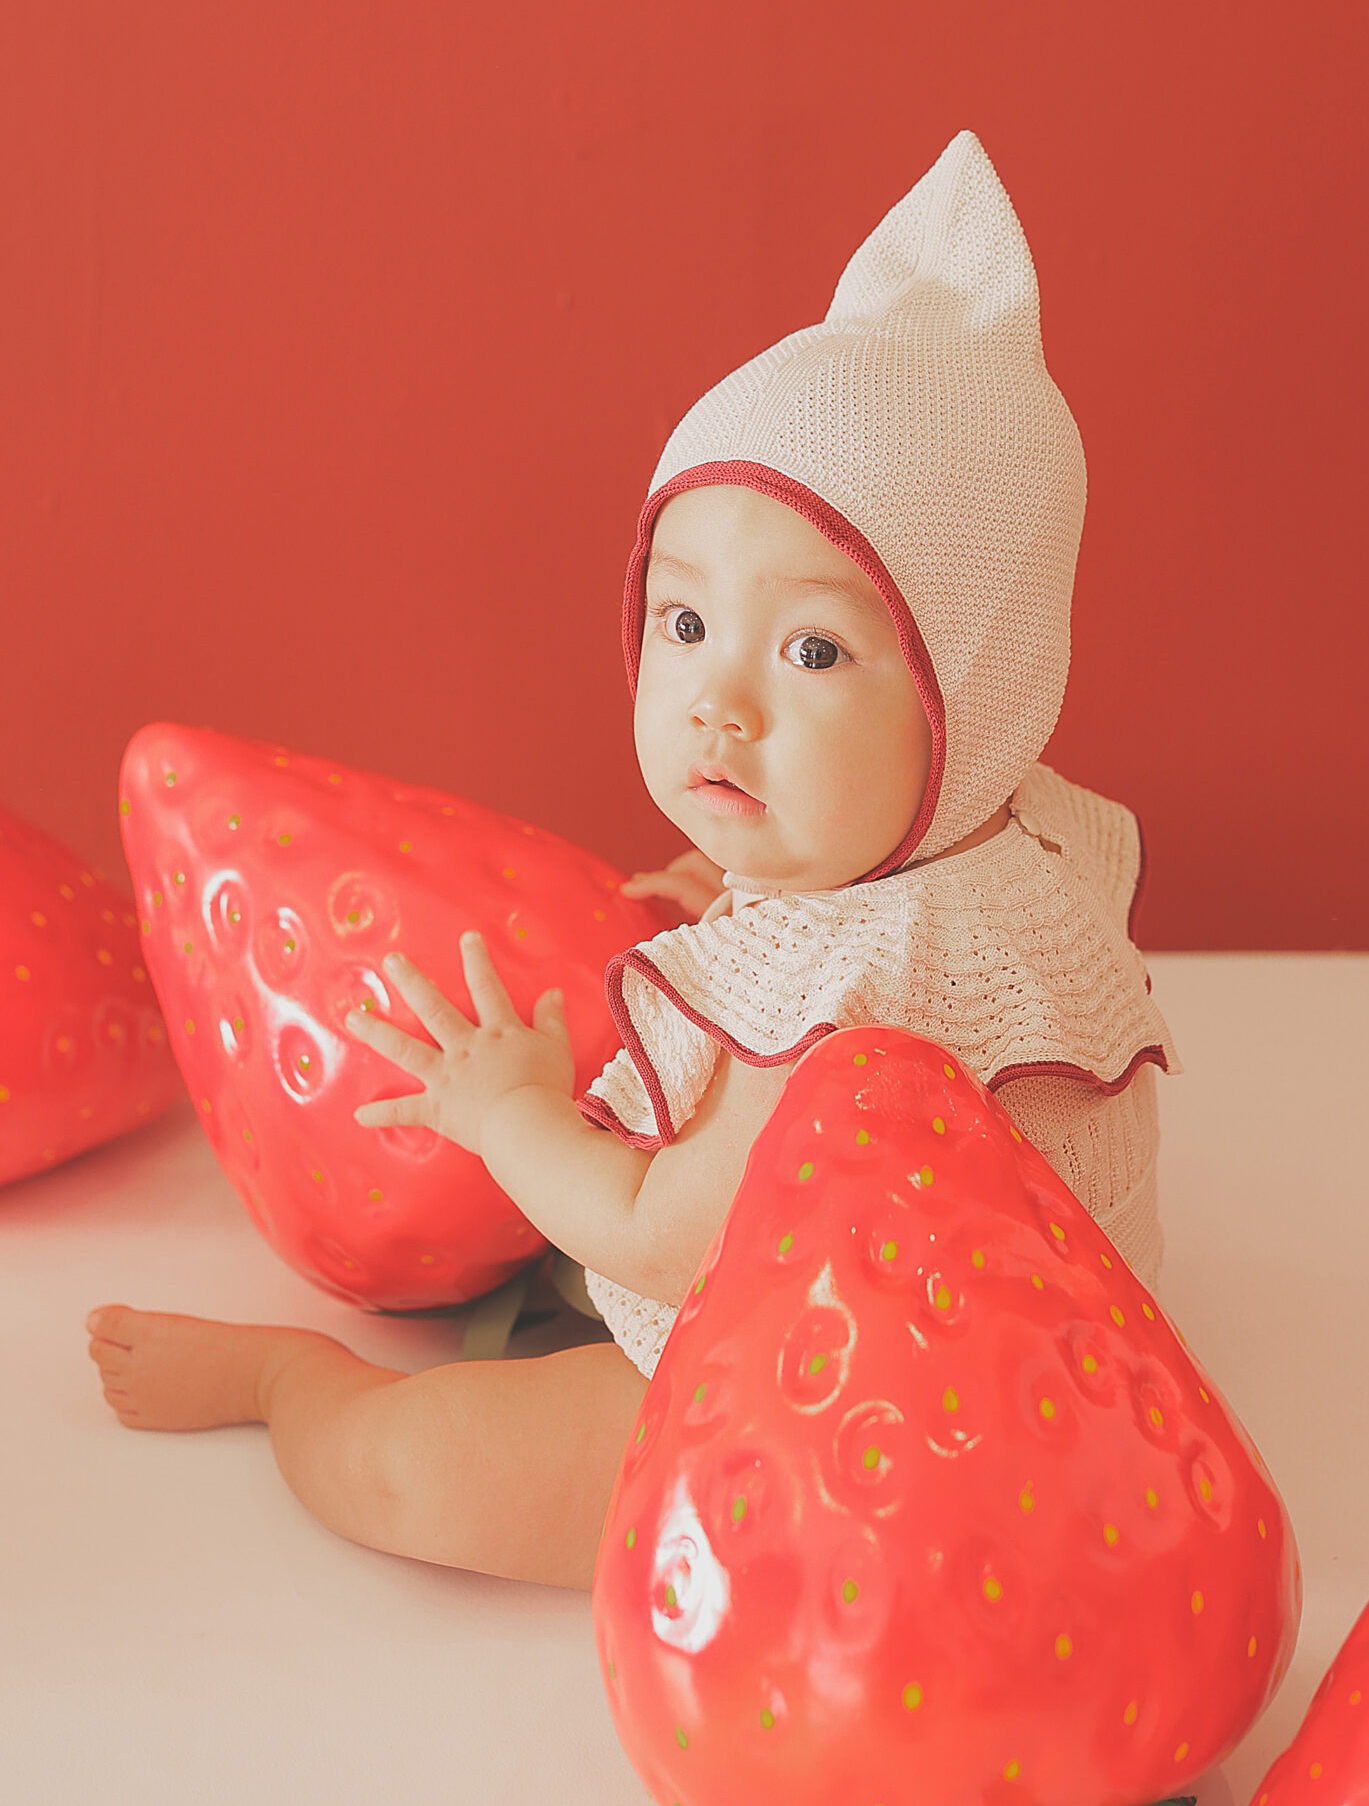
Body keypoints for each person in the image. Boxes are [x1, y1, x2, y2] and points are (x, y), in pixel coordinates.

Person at [86, 131, 1175, 1590]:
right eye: (685, 622)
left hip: (846, 1425)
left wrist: (510, 1109)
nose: (720, 702)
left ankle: (294, 1385)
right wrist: (748, 894)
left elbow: (662, 1237)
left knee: (423, 1472)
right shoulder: (1025, 831)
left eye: (813, 651)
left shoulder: (849, 1010)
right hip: (1067, 1375)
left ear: (963, 702)